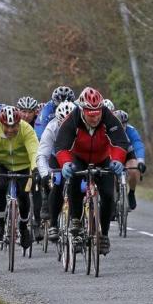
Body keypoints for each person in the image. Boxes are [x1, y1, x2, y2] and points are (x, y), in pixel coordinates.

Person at [55, 87, 130, 254]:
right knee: (75, 180)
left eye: (98, 114)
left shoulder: (108, 116)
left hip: (103, 159)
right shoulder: (72, 119)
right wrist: (66, 163)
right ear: (82, 110)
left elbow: (121, 142)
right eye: (91, 115)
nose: (95, 118)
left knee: (109, 195)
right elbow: (61, 146)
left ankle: (103, 235)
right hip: (79, 158)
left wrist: (117, 160)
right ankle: (75, 219)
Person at [0, 105, 40, 249]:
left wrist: (35, 169)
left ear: (19, 123)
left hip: (23, 165)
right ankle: (0, 222)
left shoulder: (26, 129)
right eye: (6, 126)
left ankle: (23, 226)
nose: (10, 130)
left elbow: (34, 151)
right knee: (1, 186)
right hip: (2, 165)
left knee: (24, 195)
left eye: (14, 126)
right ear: (1, 123)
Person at [36, 100, 76, 241]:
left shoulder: (83, 126)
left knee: (81, 186)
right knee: (57, 183)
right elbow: (42, 155)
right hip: (55, 157)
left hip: (75, 157)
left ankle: (80, 220)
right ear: (57, 120)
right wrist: (45, 174)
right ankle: (53, 224)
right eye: (62, 123)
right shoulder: (51, 128)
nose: (66, 126)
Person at [17, 96, 44, 241]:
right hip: (17, 161)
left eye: (30, 112)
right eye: (23, 111)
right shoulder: (13, 123)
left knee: (36, 187)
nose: (26, 115)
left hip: (34, 159)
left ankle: (37, 223)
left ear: (35, 113)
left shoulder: (39, 123)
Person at [114, 110, 147, 210]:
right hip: (114, 155)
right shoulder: (109, 129)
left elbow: (138, 144)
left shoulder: (130, 130)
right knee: (110, 174)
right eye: (120, 124)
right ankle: (113, 197)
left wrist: (141, 161)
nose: (123, 126)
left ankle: (131, 193)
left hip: (128, 154)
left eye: (124, 124)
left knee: (134, 170)